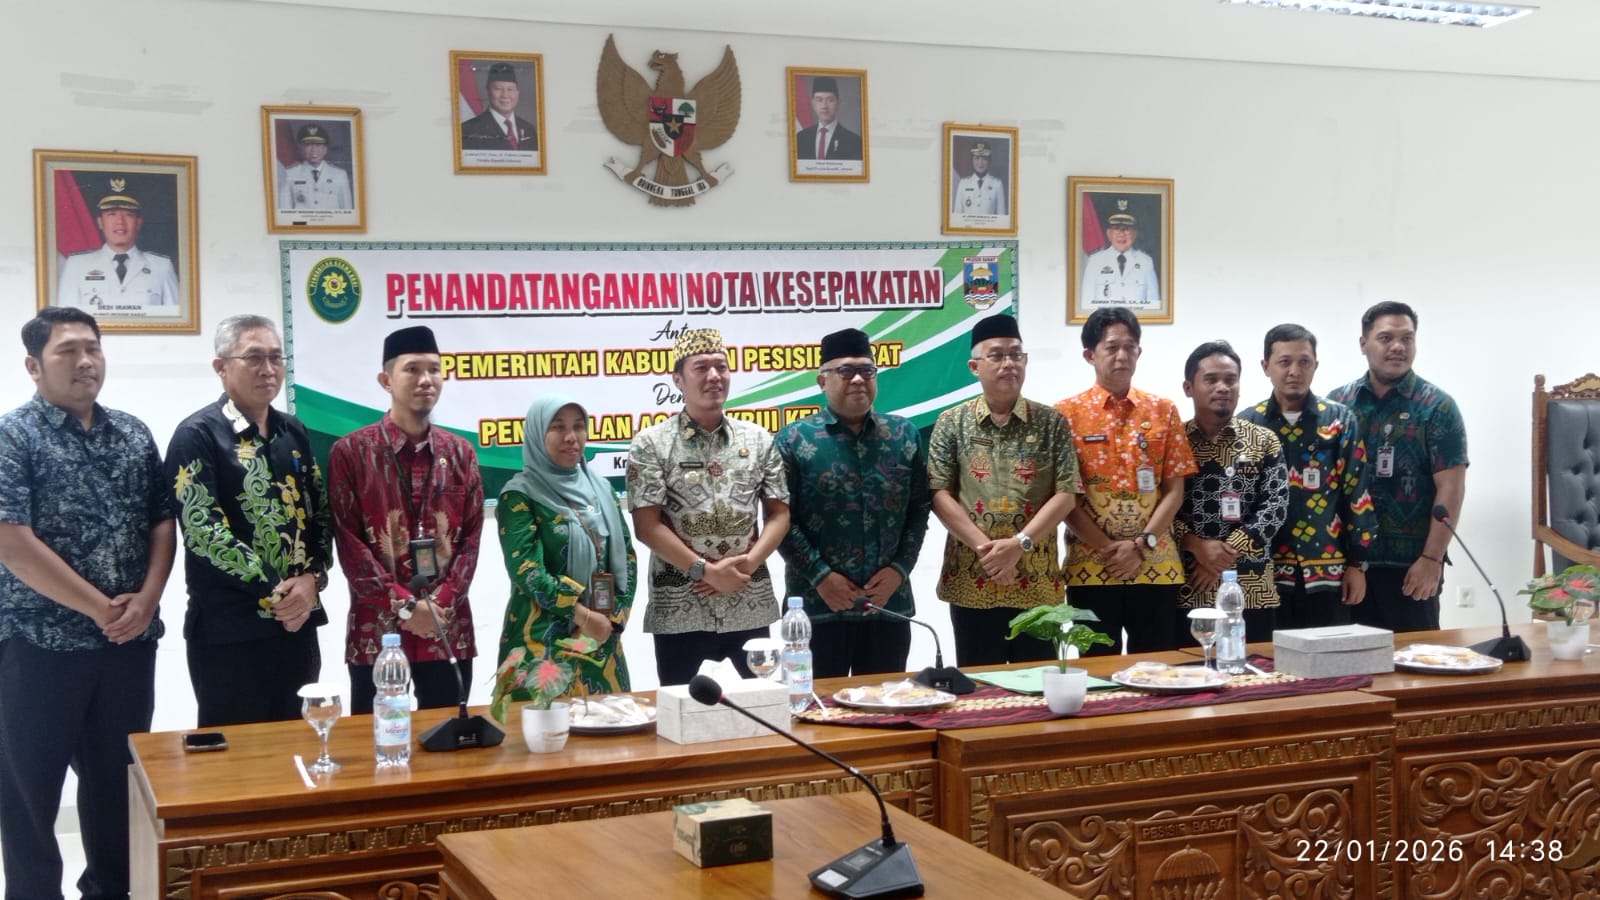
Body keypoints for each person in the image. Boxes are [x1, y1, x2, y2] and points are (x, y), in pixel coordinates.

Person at [0, 307, 175, 900]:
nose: (85, 361)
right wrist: (100, 608)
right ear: (33, 365)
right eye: (67, 350)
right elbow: (11, 542)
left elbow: (162, 521)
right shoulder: (13, 436)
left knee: (116, 788)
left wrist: (147, 599)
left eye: (92, 348)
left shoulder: (132, 433)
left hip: (127, 646)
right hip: (39, 646)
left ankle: (112, 892)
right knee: (29, 793)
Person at [166, 314, 332, 726]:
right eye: (254, 357)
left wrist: (313, 579)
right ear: (221, 367)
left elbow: (320, 513)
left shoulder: (293, 431)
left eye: (276, 357)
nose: (268, 369)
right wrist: (280, 592)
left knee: (298, 743)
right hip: (230, 632)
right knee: (236, 754)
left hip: (297, 626)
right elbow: (204, 533)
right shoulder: (197, 435)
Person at [328, 326, 483, 715]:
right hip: (377, 629)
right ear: (386, 380)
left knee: (448, 734)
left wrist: (440, 602)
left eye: (434, 369)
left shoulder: (460, 453)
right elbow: (349, 545)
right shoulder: (351, 452)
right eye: (412, 369)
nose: (425, 380)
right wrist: (407, 606)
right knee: (375, 738)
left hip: (447, 626)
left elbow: (472, 538)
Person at [626, 329, 790, 685]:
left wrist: (747, 564)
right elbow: (646, 526)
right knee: (684, 709)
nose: (714, 376)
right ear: (678, 379)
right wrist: (704, 571)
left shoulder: (759, 440)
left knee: (758, 708)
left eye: (721, 367)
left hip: (748, 600)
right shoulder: (651, 443)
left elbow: (779, 514)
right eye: (701, 368)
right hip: (681, 608)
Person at [928, 313, 1081, 666]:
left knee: (1037, 686)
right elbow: (938, 492)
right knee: (980, 685)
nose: (1009, 363)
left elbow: (1067, 493)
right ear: (974, 367)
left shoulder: (1052, 422)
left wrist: (1019, 544)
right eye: (997, 355)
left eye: (1016, 354)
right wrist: (989, 552)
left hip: (1036, 581)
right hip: (972, 578)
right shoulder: (952, 422)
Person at [776, 328, 931, 677]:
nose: (858, 379)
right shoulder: (793, 440)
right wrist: (821, 576)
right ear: (822, 380)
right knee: (813, 706)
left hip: (887, 606)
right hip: (816, 609)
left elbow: (919, 509)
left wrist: (899, 570)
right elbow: (780, 519)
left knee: (883, 705)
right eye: (846, 371)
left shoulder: (904, 435)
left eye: (867, 370)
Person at [1057, 307, 1197, 655]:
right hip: (1091, 566)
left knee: (1158, 667)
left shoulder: (1164, 410)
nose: (1122, 355)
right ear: (1090, 355)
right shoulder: (1064, 415)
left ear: (1139, 351)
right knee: (1097, 669)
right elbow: (1064, 497)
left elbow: (1174, 490)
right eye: (1111, 347)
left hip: (1156, 565)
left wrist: (1141, 545)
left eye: (1130, 347)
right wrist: (1109, 548)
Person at [1327, 301, 1467, 633]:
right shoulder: (1338, 405)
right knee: (1347, 656)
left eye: (1407, 338)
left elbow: (1451, 487)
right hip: (1347, 567)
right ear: (1364, 344)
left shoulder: (1438, 407)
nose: (1398, 347)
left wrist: (1432, 559)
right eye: (1386, 338)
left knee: (1414, 659)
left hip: (1411, 567)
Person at [1239, 324, 1378, 629]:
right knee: (1266, 656)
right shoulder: (1248, 424)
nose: (1295, 371)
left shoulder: (1340, 420)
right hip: (1263, 573)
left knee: (1327, 656)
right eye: (1284, 361)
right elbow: (1239, 503)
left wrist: (1358, 564)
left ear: (1315, 364)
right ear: (1266, 366)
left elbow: (1357, 493)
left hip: (1328, 573)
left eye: (1304, 361)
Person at [498, 394, 636, 695]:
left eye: (578, 426)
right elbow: (527, 572)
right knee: (541, 722)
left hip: (601, 641)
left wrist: (612, 621)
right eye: (558, 427)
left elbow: (627, 558)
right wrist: (583, 617)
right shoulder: (519, 496)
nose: (571, 437)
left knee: (608, 721)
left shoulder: (601, 490)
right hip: (540, 644)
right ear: (537, 434)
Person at [1172, 341, 1289, 642]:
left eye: (1231, 379)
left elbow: (1275, 506)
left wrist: (1222, 557)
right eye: (1211, 379)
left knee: (1257, 669)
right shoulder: (1174, 441)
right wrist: (1198, 547)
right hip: (1189, 586)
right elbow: (1161, 505)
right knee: (1188, 669)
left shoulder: (1264, 440)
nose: (1223, 387)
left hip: (1252, 589)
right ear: (1189, 387)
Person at [57, 181, 180, 310]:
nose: (120, 222)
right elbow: (66, 318)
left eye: (128, 215)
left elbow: (176, 318)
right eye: (111, 214)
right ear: (100, 222)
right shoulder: (76, 265)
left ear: (138, 223)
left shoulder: (162, 267)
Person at [1081, 206, 1160, 308]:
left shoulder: (1146, 263)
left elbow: (1153, 305)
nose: (1121, 234)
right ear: (1108, 234)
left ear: (1135, 234)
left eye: (1127, 229)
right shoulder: (1095, 262)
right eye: (1116, 229)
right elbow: (1087, 305)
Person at [461, 62, 539, 151]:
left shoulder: (529, 130)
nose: (505, 95)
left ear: (518, 93)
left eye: (510, 89)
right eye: (498, 89)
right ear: (488, 91)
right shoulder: (468, 130)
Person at [277, 124, 354, 211]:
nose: (313, 150)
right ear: (301, 148)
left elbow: (347, 211)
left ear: (325, 149)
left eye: (318, 145)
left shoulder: (339, 175)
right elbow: (285, 211)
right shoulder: (289, 174)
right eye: (308, 145)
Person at [795, 75, 863, 161]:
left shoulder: (853, 141)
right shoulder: (800, 138)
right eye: (819, 100)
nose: (824, 106)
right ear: (813, 103)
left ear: (838, 103)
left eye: (830, 100)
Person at [951, 141, 1007, 216]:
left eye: (984, 159)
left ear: (989, 160)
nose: (980, 163)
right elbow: (957, 214)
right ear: (972, 160)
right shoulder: (963, 183)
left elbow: (1001, 215)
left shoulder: (997, 184)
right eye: (977, 158)